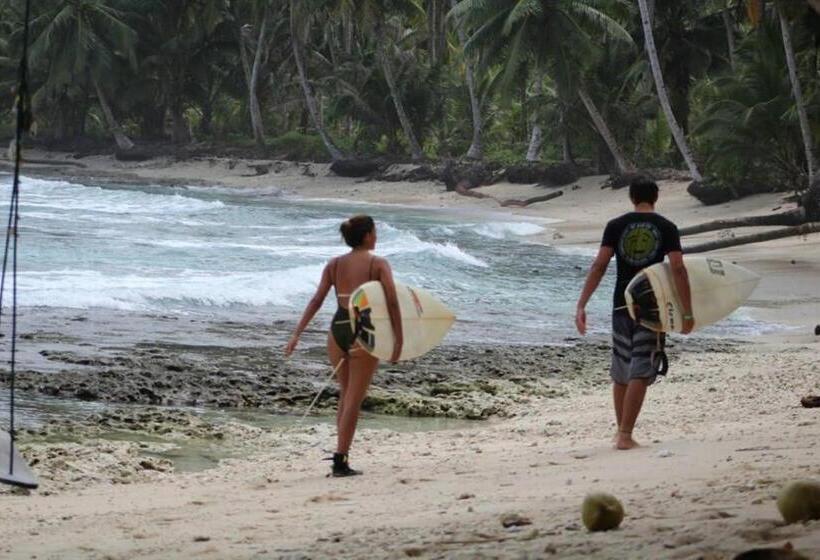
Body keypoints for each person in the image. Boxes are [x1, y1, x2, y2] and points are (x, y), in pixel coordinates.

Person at [575, 178, 693, 450]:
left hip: (620, 304)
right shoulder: (666, 227)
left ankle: (621, 432)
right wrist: (686, 312)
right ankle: (625, 435)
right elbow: (678, 269)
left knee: (622, 367)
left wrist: (582, 304)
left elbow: (599, 266)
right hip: (651, 306)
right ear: (656, 197)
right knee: (641, 366)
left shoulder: (615, 225)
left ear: (631, 197)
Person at [285, 215, 403, 476]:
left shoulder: (335, 264)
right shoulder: (378, 263)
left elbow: (317, 300)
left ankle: (341, 454)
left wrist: (296, 334)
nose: (376, 236)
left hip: (337, 328)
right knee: (353, 399)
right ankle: (340, 461)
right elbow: (393, 302)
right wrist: (399, 340)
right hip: (364, 330)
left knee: (346, 393)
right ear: (367, 235)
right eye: (374, 232)